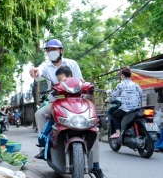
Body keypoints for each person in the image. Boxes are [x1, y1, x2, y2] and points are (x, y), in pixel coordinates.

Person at [30, 39, 106, 178]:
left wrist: (86, 85)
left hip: (77, 100)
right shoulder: (45, 66)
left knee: (92, 125)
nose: (51, 52)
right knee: (39, 114)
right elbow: (38, 73)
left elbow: (81, 81)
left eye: (54, 49)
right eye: (48, 50)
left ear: (61, 50)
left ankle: (96, 166)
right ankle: (43, 149)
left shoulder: (72, 64)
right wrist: (35, 72)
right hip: (56, 101)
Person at [108, 68, 143, 138]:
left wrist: (109, 100)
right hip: (136, 109)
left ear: (122, 76)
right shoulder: (136, 85)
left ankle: (117, 133)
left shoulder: (121, 85)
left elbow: (113, 96)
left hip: (126, 109)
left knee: (114, 115)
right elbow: (141, 94)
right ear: (130, 76)